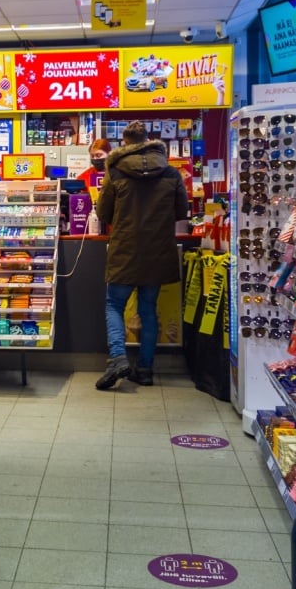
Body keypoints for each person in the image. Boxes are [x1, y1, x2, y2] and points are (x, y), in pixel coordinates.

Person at [93, 121, 189, 389]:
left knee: (114, 305)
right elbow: (182, 211)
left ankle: (118, 359)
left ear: (124, 143)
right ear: (149, 140)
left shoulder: (116, 172)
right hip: (158, 250)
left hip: (125, 248)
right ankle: (145, 369)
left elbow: (103, 213)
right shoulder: (171, 172)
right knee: (148, 310)